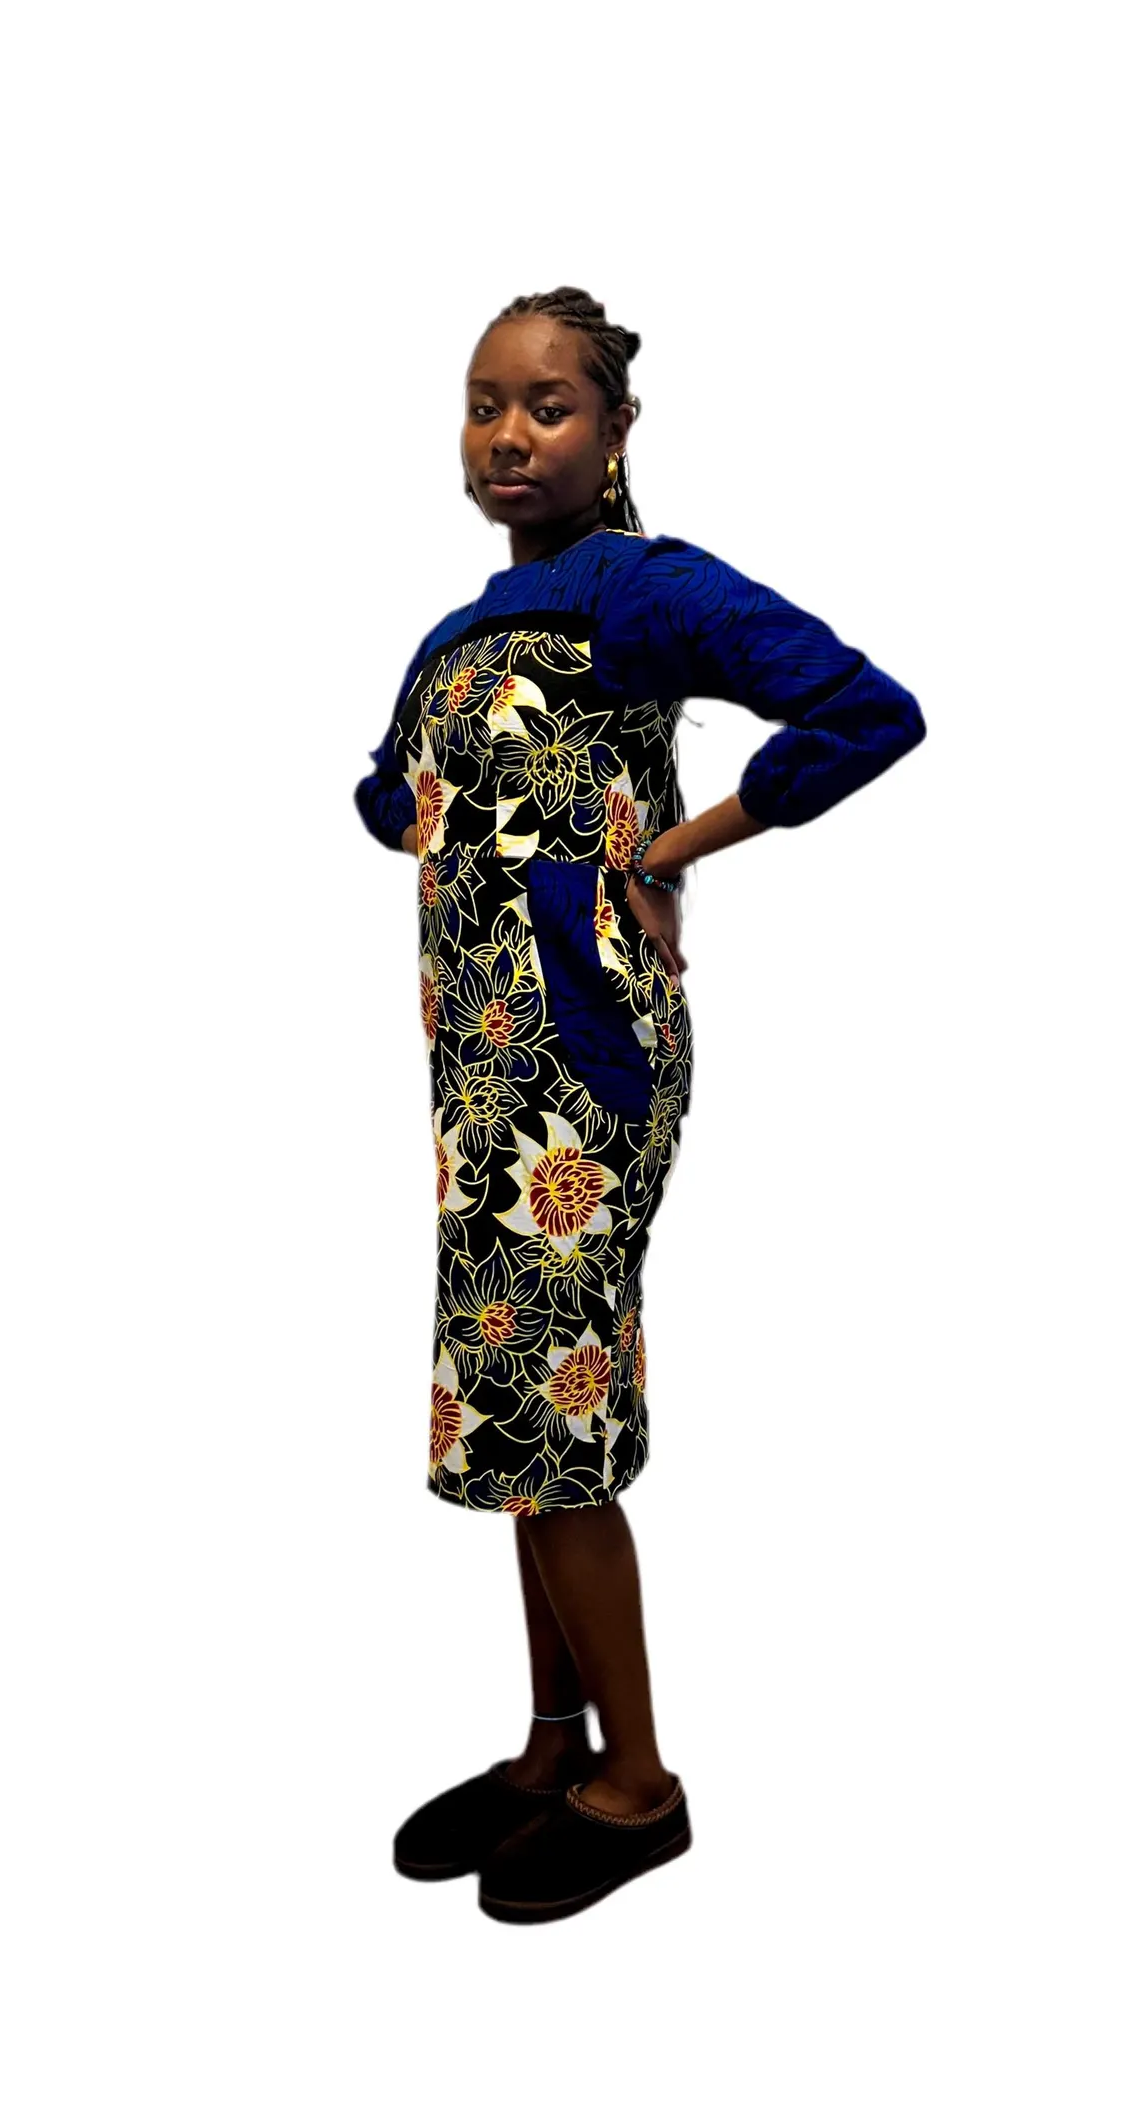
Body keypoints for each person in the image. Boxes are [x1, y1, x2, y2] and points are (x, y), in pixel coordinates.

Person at [354, 286, 927, 1923]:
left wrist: (666, 851)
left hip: (584, 1063)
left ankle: (639, 1787)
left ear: (614, 433)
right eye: (483, 404)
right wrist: (430, 813)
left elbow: (867, 712)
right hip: (481, 1069)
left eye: (547, 406)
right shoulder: (461, 628)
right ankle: (553, 1747)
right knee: (514, 1405)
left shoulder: (639, 587)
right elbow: (390, 788)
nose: (507, 435)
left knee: (552, 1405)